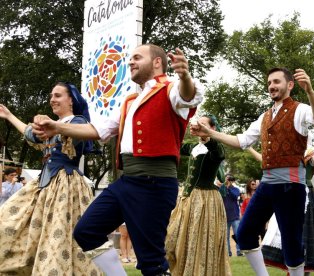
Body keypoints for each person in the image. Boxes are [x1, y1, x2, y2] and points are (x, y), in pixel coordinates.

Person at [33, 44, 204, 276]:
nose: (130, 62)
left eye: (137, 57)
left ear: (156, 63)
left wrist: (184, 76)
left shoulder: (171, 88)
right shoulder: (129, 101)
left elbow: (188, 96)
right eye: (129, 58)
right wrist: (56, 127)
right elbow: (96, 129)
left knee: (151, 263)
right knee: (86, 232)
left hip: (154, 183)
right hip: (127, 182)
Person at [191, 67, 314, 276]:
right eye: (269, 83)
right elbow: (241, 141)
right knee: (245, 234)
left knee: (291, 244)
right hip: (267, 185)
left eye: (276, 82)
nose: (272, 86)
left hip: (291, 186)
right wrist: (210, 132)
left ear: (290, 85)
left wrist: (310, 91)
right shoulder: (264, 117)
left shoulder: (300, 109)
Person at [0, 83, 99, 275]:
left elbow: (82, 132)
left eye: (58, 95)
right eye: (51, 95)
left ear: (71, 100)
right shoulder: (48, 128)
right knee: (8, 223)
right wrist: (9, 115)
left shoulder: (78, 122)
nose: (52, 99)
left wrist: (53, 125)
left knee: (59, 237)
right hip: (43, 186)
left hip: (66, 187)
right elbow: (30, 133)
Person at [165, 114, 231, 276]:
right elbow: (174, 144)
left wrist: (208, 137)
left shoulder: (215, 148)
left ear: (212, 128)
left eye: (203, 124)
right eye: (197, 123)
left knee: (200, 239)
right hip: (188, 198)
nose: (198, 126)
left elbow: (219, 153)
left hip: (205, 201)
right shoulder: (194, 148)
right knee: (175, 236)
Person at [253, 146, 314, 274]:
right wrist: (249, 147)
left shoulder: (310, 152)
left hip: (304, 198)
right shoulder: (287, 151)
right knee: (290, 238)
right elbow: (265, 160)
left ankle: (300, 271)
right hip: (289, 194)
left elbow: (312, 159)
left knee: (302, 240)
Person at [220, 174, 243, 257]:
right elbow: (220, 196)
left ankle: (239, 251)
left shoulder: (236, 189)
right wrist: (224, 186)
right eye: (227, 179)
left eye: (229, 179)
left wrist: (228, 188)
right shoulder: (221, 189)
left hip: (235, 216)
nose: (228, 181)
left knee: (237, 234)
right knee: (226, 236)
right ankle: (228, 252)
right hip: (224, 216)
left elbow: (234, 196)